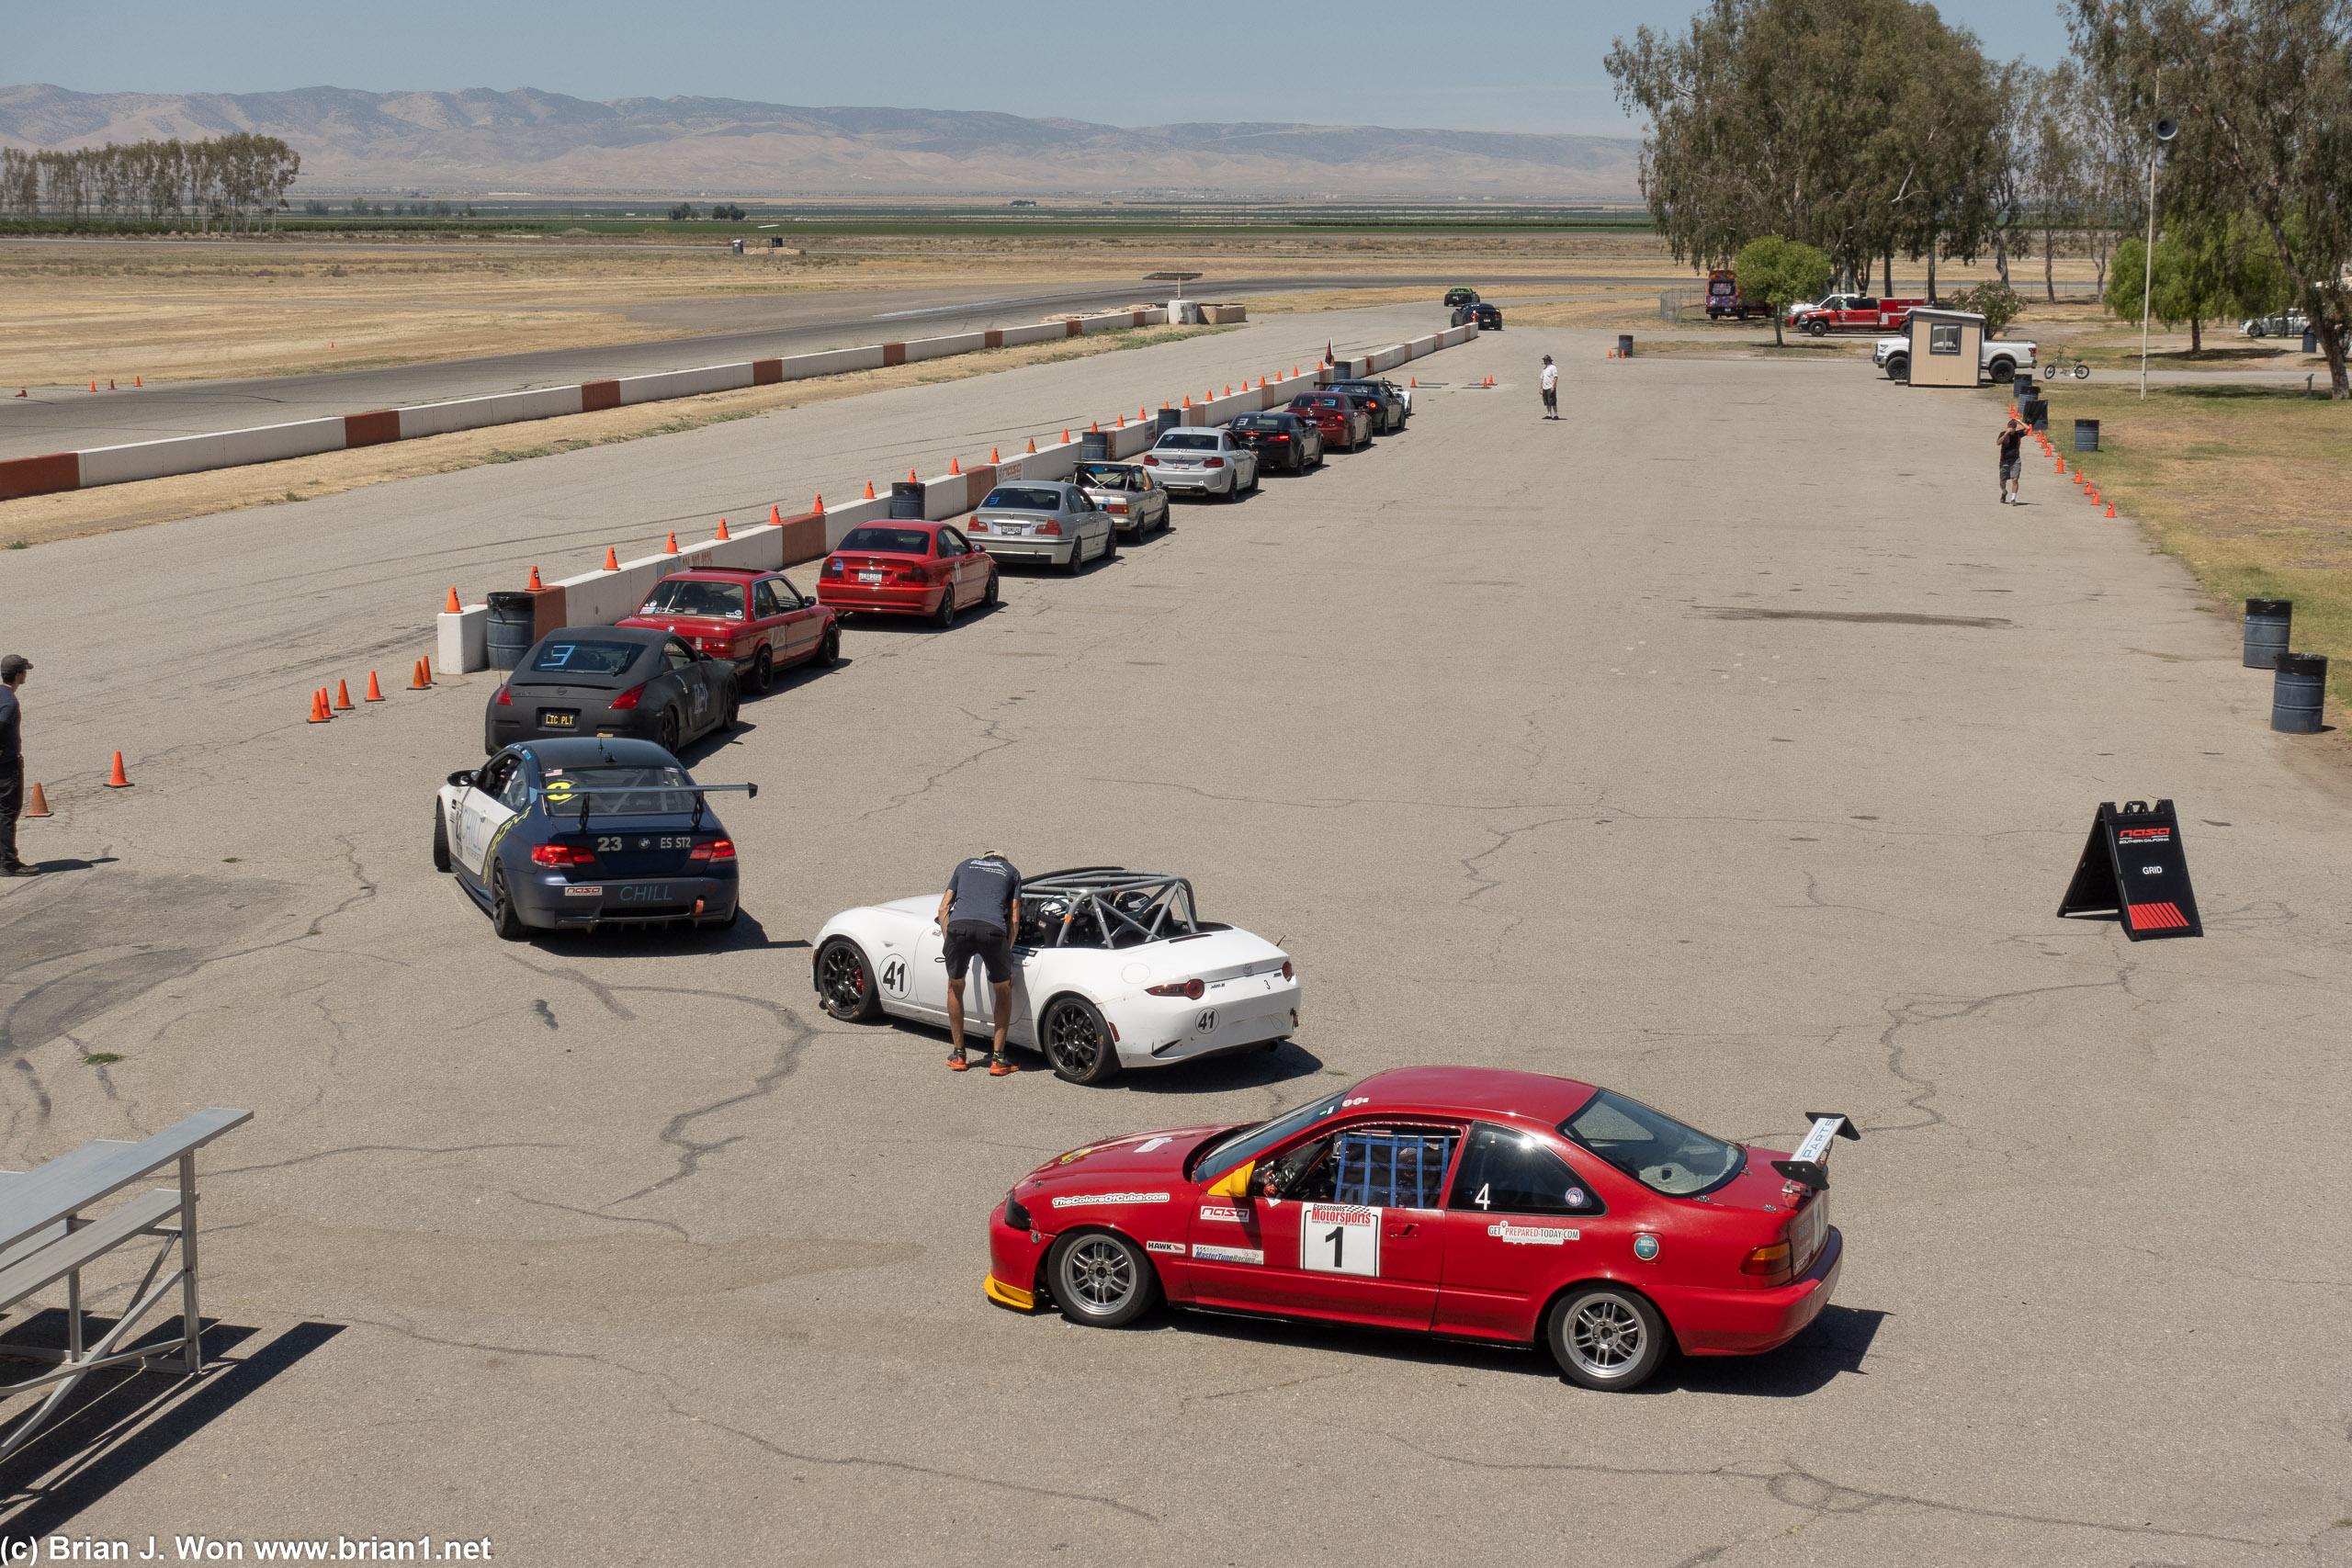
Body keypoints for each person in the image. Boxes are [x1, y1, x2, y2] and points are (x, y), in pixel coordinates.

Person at [936, 850, 1023, 1075]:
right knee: (1002, 989)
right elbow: (1014, 917)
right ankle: (998, 1060)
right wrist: (1007, 951)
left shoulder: (964, 865)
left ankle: (959, 1055)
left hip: (959, 927)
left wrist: (949, 941)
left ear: (983, 860)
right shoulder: (1011, 872)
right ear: (1003, 860)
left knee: (955, 986)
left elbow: (943, 908)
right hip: (993, 931)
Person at [0, 654, 31, 877]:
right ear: (19, 675)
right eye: (25, 671)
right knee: (7, 813)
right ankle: (8, 863)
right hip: (7, 766)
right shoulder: (10, 701)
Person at [1996, 412, 2029, 504]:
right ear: (2007, 427)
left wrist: (2019, 421)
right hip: (2004, 460)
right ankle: (2004, 492)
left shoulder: (2018, 434)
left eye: (2014, 427)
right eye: (2010, 427)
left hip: (2015, 460)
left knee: (2015, 479)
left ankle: (2013, 499)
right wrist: (2006, 433)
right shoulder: (2003, 433)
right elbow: (1998, 443)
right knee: (2003, 481)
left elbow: (2028, 428)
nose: (2012, 429)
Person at [1539, 355, 1560, 419]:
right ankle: (1549, 414)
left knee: (1553, 401)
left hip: (1550, 387)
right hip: (1545, 387)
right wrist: (1540, 388)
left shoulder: (1553, 367)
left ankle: (1556, 415)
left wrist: (1553, 386)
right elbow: (1542, 379)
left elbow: (1555, 377)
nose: (1544, 361)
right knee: (1547, 402)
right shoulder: (1544, 369)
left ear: (1548, 361)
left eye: (1544, 360)